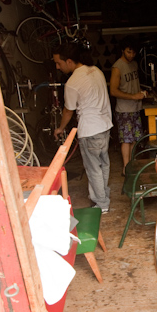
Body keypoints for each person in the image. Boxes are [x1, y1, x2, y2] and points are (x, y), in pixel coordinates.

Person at [53, 41, 112, 213]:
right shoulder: (97, 71)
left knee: (93, 169)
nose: (57, 66)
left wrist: (60, 128)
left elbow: (68, 111)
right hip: (104, 127)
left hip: (89, 130)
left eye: (59, 62)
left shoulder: (72, 82)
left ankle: (101, 204)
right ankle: (103, 196)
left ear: (69, 61)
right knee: (104, 164)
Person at [110, 44, 146, 174]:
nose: (131, 55)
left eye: (133, 53)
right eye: (128, 52)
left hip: (136, 107)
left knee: (135, 138)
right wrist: (133, 96)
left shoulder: (134, 64)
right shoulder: (117, 67)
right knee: (126, 139)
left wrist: (140, 93)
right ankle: (126, 168)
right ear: (122, 50)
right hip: (124, 109)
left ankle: (132, 164)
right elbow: (113, 91)